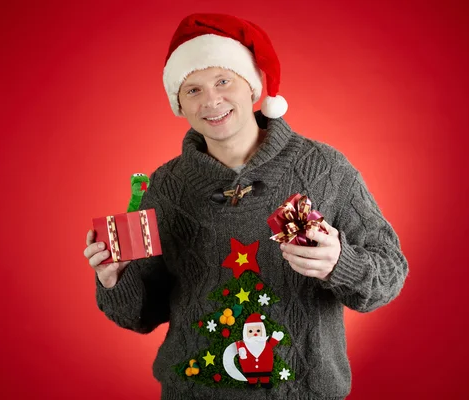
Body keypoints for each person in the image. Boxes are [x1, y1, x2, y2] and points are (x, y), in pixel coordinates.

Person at [83, 13, 408, 400]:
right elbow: (142, 314)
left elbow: (389, 275)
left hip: (305, 392)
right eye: (193, 90)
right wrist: (116, 279)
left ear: (252, 87)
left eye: (223, 81)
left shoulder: (323, 169)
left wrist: (341, 263)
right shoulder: (167, 187)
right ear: (179, 104)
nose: (212, 101)